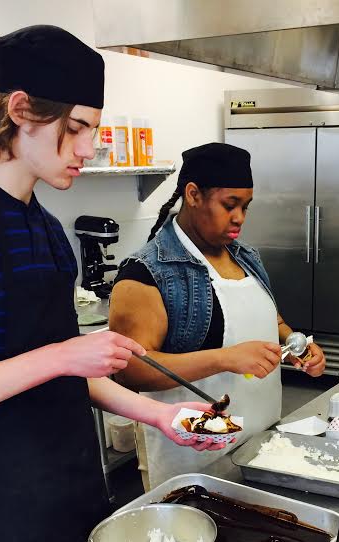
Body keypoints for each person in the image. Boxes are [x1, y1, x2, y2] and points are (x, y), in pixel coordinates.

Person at [0, 25, 220, 542]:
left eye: (92, 130)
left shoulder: (47, 230)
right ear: (19, 110)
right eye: (75, 129)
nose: (87, 148)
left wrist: (159, 417)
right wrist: (60, 355)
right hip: (9, 500)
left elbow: (75, 375)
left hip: (76, 478)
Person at [109, 142, 326, 490]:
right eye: (230, 205)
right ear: (193, 195)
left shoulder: (245, 256)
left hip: (262, 447)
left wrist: (296, 344)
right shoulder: (147, 273)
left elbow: (272, 320)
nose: (240, 217)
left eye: (245, 206)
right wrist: (224, 359)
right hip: (195, 460)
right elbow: (130, 370)